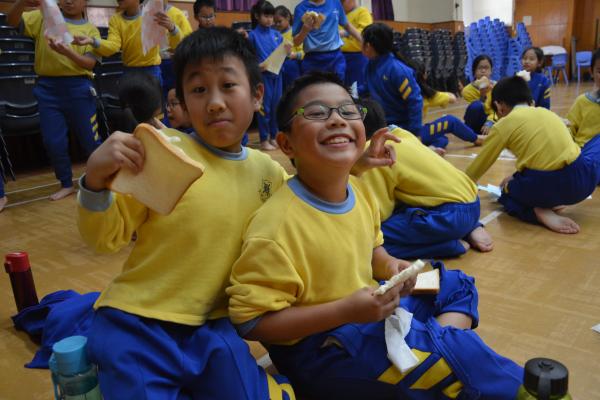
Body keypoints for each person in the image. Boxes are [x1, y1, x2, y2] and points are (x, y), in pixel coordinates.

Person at [228, 71, 523, 400]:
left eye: (348, 110)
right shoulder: (276, 227)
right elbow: (252, 322)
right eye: (316, 112)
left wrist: (393, 267)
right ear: (286, 144)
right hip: (325, 348)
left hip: (368, 312)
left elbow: (373, 252)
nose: (337, 119)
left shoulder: (358, 191)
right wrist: (345, 311)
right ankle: (429, 355)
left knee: (456, 284)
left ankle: (421, 354)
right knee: (467, 358)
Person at [76, 27, 295, 399]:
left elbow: (310, 206)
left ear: (257, 95)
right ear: (180, 101)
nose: (214, 102)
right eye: (198, 90)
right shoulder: (162, 150)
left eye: (228, 85)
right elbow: (104, 238)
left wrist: (356, 165)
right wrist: (95, 180)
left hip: (213, 329)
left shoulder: (269, 173)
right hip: (138, 321)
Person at [359, 98, 493, 259]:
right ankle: (469, 228)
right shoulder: (401, 134)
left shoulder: (373, 153)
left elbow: (380, 214)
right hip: (471, 202)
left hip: (449, 216)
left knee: (368, 241)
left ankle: (448, 245)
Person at [466, 76, 600, 234]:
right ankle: (551, 200)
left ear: (499, 106)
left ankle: (537, 213)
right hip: (585, 181)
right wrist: (516, 175)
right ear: (531, 101)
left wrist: (458, 185)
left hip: (548, 186)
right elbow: (550, 154)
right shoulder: (547, 113)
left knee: (506, 193)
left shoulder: (503, 125)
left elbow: (476, 169)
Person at [7, 0, 102, 201]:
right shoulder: (44, 16)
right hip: (47, 89)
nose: (69, 1)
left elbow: (89, 63)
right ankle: (66, 183)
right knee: (53, 141)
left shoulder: (90, 30)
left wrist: (67, 51)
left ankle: (103, 179)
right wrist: (21, 2)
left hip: (79, 88)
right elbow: (12, 20)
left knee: (91, 140)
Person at [72, 0, 185, 86]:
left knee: (153, 109)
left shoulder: (152, 15)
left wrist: (172, 28)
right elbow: (113, 47)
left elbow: (177, 45)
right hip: (129, 72)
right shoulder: (116, 19)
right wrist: (92, 41)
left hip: (151, 71)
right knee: (131, 109)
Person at [362, 23, 423, 136]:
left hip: (400, 128)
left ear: (368, 46)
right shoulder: (370, 65)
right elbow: (366, 87)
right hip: (380, 124)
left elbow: (414, 101)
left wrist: (414, 133)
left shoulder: (398, 70)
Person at [412, 60, 485, 152]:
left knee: (442, 139)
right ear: (424, 75)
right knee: (450, 121)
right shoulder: (421, 94)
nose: (483, 71)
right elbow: (452, 98)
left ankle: (430, 149)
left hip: (403, 133)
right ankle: (476, 139)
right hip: (412, 135)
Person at [292, 0, 362, 80]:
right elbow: (296, 42)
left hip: (335, 57)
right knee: (314, 87)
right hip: (312, 59)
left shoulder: (335, 2)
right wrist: (305, 30)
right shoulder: (300, 8)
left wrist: (363, 41)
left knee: (337, 86)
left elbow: (347, 25)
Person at [248, 0, 285, 151]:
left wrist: (287, 52)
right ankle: (264, 139)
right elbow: (248, 58)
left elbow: (281, 55)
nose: (270, 19)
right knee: (265, 109)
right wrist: (257, 67)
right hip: (263, 78)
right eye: (266, 16)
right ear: (257, 16)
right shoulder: (252, 36)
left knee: (276, 107)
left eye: (271, 16)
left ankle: (274, 136)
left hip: (277, 75)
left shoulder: (277, 35)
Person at [159, 0, 193, 119]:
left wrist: (173, 29)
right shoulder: (145, 14)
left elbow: (188, 42)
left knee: (175, 97)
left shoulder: (177, 14)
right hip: (153, 64)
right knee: (160, 101)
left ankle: (180, 123)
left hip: (172, 63)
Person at [566, 48, 600, 152]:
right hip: (583, 153)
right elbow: (569, 129)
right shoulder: (582, 101)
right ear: (591, 72)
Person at [339, 0, 372, 92]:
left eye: (343, 1)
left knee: (357, 89)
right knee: (343, 87)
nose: (341, 4)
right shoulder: (339, 15)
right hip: (340, 56)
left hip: (358, 57)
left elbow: (365, 33)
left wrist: (346, 33)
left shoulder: (362, 12)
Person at [462, 54, 497, 135]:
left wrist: (490, 121)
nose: (483, 71)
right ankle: (470, 134)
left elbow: (498, 110)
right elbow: (474, 111)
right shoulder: (467, 91)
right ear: (474, 72)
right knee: (477, 105)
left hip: (493, 120)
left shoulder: (497, 87)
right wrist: (482, 96)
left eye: (486, 68)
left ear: (491, 71)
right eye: (480, 68)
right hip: (476, 121)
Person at [274, 5, 303, 93]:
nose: (277, 24)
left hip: (292, 67)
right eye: (275, 22)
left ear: (288, 17)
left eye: (279, 21)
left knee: (294, 92)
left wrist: (293, 55)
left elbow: (304, 53)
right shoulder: (274, 35)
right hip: (279, 68)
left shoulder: (295, 32)